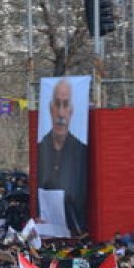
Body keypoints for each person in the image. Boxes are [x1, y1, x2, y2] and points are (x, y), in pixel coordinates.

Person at [36, 78, 88, 235]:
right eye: (57, 104)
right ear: (51, 109)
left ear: (71, 111)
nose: (60, 113)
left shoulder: (81, 151)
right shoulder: (41, 149)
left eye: (65, 105)